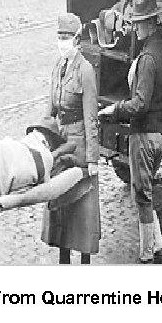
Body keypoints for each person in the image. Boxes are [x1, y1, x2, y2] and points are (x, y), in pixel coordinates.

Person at [98, 0, 162, 263]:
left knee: (141, 195)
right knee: (146, 190)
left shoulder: (147, 60)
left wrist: (114, 110)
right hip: (158, 132)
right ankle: (159, 243)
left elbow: (140, 103)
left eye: (139, 23)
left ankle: (146, 254)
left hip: (143, 135)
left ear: (150, 23)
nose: (135, 28)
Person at [42, 13, 101, 264]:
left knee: (82, 210)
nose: (62, 42)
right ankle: (64, 259)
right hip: (61, 145)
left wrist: (92, 159)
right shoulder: (58, 67)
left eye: (66, 38)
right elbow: (50, 110)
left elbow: (91, 118)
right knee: (62, 208)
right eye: (59, 37)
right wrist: (43, 141)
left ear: (77, 40)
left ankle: (85, 260)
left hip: (79, 148)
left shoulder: (85, 70)